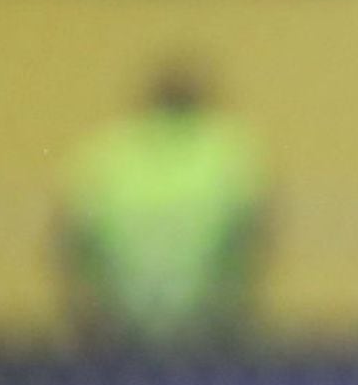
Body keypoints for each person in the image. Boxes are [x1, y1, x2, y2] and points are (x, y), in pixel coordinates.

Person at [58, 61, 268, 357]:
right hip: (207, 324)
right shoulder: (229, 149)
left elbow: (69, 241)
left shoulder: (106, 152)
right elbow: (256, 235)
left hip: (119, 323)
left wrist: (84, 313)